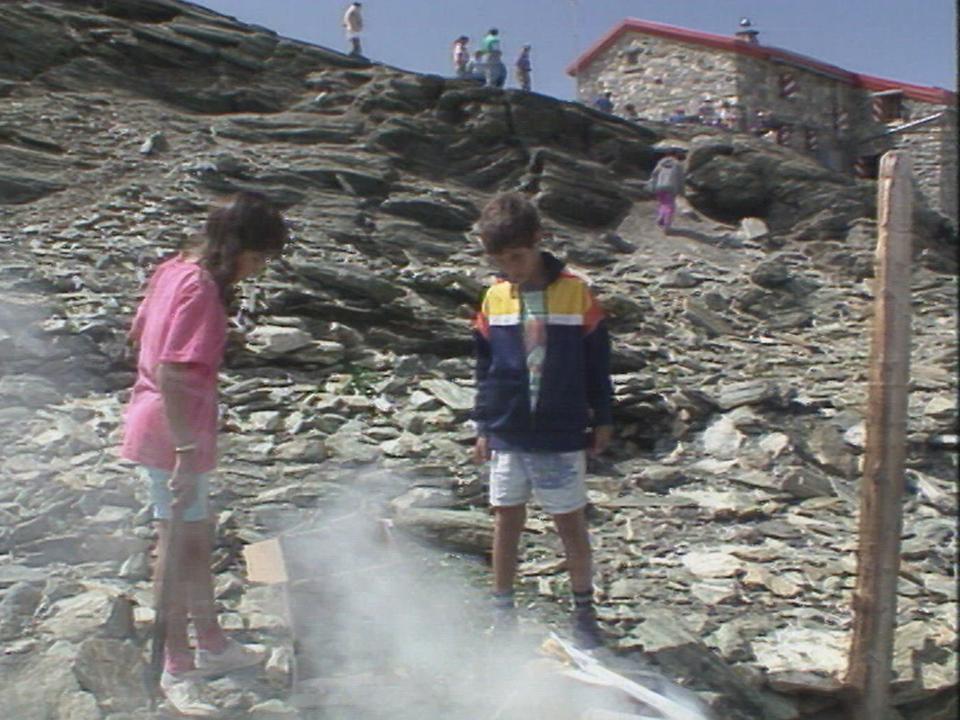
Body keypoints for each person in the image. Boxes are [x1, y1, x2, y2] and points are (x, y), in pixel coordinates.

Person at [122, 192, 288, 716]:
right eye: (257, 259)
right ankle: (176, 664)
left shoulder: (175, 268)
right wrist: (187, 447)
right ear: (235, 246)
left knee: (195, 538)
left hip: (165, 420)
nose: (256, 271)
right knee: (175, 545)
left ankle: (211, 644)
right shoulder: (199, 287)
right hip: (174, 434)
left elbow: (137, 332)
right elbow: (172, 370)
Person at [472, 193, 613, 649]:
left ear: (538, 240)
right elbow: (484, 366)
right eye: (501, 260)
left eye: (517, 256)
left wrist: (603, 417)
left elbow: (598, 363)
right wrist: (483, 425)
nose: (511, 268)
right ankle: (502, 612)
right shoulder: (494, 298)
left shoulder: (576, 293)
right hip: (509, 430)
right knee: (505, 520)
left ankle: (585, 613)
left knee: (569, 523)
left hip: (560, 430)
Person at [649, 150, 685, 234]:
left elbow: (654, 174)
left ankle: (661, 220)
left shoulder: (660, 163)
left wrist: (653, 186)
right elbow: (680, 179)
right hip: (671, 187)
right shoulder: (678, 165)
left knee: (663, 203)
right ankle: (667, 227)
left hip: (659, 186)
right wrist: (682, 192)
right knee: (670, 206)